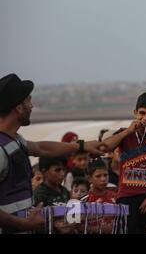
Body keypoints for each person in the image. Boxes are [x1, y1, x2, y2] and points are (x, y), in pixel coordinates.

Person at [0, 73, 104, 234]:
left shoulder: (15, 140)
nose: (32, 106)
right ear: (18, 107)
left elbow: (42, 148)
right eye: (28, 100)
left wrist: (82, 146)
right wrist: (22, 224)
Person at [101, 92, 146, 234]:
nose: (145, 118)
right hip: (126, 198)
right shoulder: (123, 134)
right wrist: (128, 131)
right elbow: (104, 147)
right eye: (142, 113)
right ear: (135, 113)